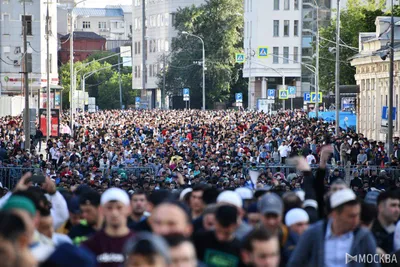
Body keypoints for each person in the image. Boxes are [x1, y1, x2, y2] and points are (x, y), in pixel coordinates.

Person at [288, 188, 378, 267]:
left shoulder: (363, 237)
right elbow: (295, 263)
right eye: (351, 216)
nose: (356, 221)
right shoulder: (313, 234)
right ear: (334, 214)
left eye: (357, 215)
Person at [81, 188, 134, 267]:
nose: (114, 213)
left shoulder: (139, 243)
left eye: (119, 207)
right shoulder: (90, 245)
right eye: (109, 208)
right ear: (101, 210)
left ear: (128, 209)